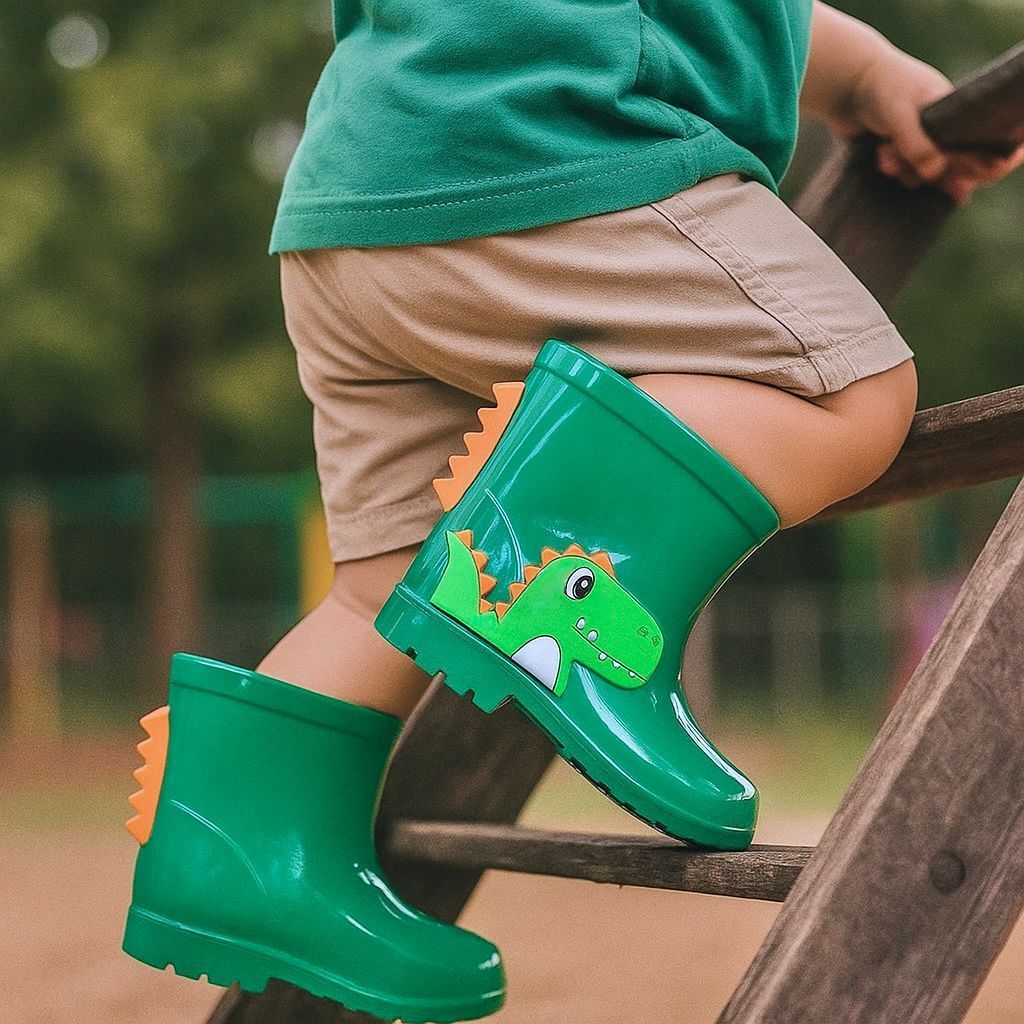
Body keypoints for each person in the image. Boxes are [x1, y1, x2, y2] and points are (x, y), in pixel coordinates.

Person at [122, 2, 1024, 1020]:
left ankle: (238, 848)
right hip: (560, 146)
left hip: (357, 202)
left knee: (390, 581)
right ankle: (558, 597)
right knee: (842, 390)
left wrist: (859, 74)